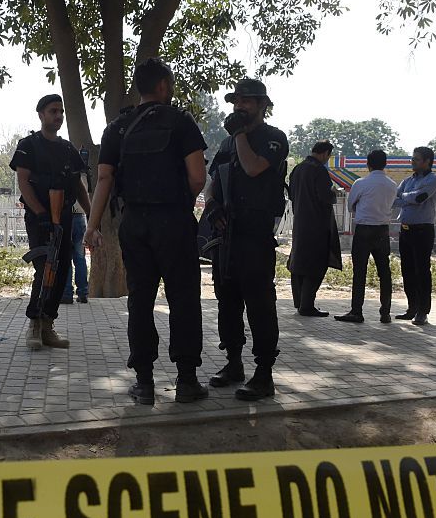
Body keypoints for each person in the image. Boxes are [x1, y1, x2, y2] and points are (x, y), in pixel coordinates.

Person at [85, 57, 209, 406]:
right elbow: (198, 177)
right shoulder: (182, 122)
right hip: (174, 222)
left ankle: (144, 383)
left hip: (134, 224)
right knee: (183, 299)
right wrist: (177, 201)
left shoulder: (117, 128)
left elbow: (104, 179)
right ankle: (186, 381)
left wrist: (92, 226)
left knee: (140, 300)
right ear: (164, 86)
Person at [203, 78, 288, 401]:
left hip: (256, 234)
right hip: (227, 235)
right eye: (236, 101)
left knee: (260, 306)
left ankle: (264, 373)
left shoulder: (273, 139)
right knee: (228, 303)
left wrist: (239, 134)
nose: (239, 107)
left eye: (247, 102)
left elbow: (253, 169)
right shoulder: (226, 145)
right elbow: (212, 181)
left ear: (263, 105)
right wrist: (211, 204)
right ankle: (233, 363)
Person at [10, 94, 92, 349]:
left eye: (61, 112)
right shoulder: (29, 145)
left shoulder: (67, 149)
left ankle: (48, 325)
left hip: (64, 216)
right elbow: (23, 181)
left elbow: (78, 186)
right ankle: (34, 324)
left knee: (62, 269)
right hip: (39, 218)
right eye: (53, 111)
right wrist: (41, 214)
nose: (58, 116)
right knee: (45, 268)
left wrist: (92, 217)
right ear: (41, 115)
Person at [335, 149, 397, 324]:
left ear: (367, 164)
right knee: (384, 272)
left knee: (359, 272)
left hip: (364, 229)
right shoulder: (392, 185)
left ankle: (357, 311)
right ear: (385, 164)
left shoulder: (360, 183)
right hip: (383, 230)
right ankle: (385, 312)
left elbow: (350, 206)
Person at [287, 141, 342, 316]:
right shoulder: (319, 170)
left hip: (300, 223)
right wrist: (334, 192)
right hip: (317, 224)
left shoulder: (298, 169)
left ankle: (300, 302)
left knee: (298, 263)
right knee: (315, 264)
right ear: (325, 153)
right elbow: (325, 197)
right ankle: (307, 305)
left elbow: (291, 194)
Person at [394, 146, 436, 326]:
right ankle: (411, 308)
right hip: (405, 230)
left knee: (421, 271)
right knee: (407, 271)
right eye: (412, 158)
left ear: (427, 161)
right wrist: (409, 197)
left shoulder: (434, 180)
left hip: (422, 231)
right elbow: (394, 200)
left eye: (416, 159)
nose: (412, 162)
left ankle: (423, 311)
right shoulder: (407, 181)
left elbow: (420, 198)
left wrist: (406, 198)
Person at [61, 199, 89, 304]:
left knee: (65, 258)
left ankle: (67, 293)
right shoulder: (84, 181)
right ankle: (83, 293)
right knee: (80, 258)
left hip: (64, 216)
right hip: (80, 215)